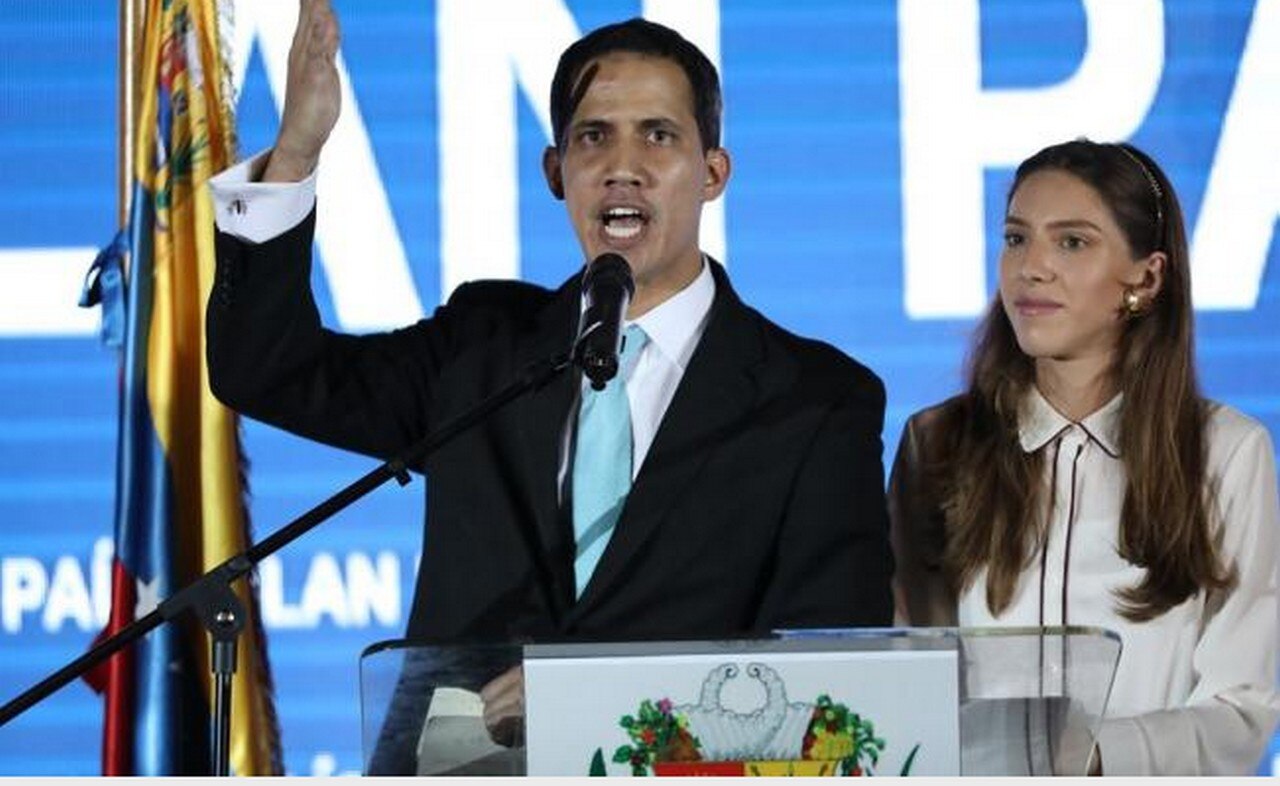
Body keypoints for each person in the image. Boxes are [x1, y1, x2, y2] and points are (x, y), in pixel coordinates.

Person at [206, 0, 893, 747]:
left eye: (658, 136)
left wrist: (599, 702)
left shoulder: (815, 401)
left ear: (713, 173)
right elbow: (265, 370)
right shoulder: (482, 347)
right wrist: (296, 157)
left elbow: (833, 673)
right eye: (592, 137)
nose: (622, 166)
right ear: (556, 172)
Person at [889, 139, 1279, 775]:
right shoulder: (937, 442)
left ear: (1147, 278)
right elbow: (905, 672)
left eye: (1072, 242)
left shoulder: (1226, 453)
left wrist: (1088, 758)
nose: (1031, 268)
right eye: (1016, 238)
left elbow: (1240, 709)